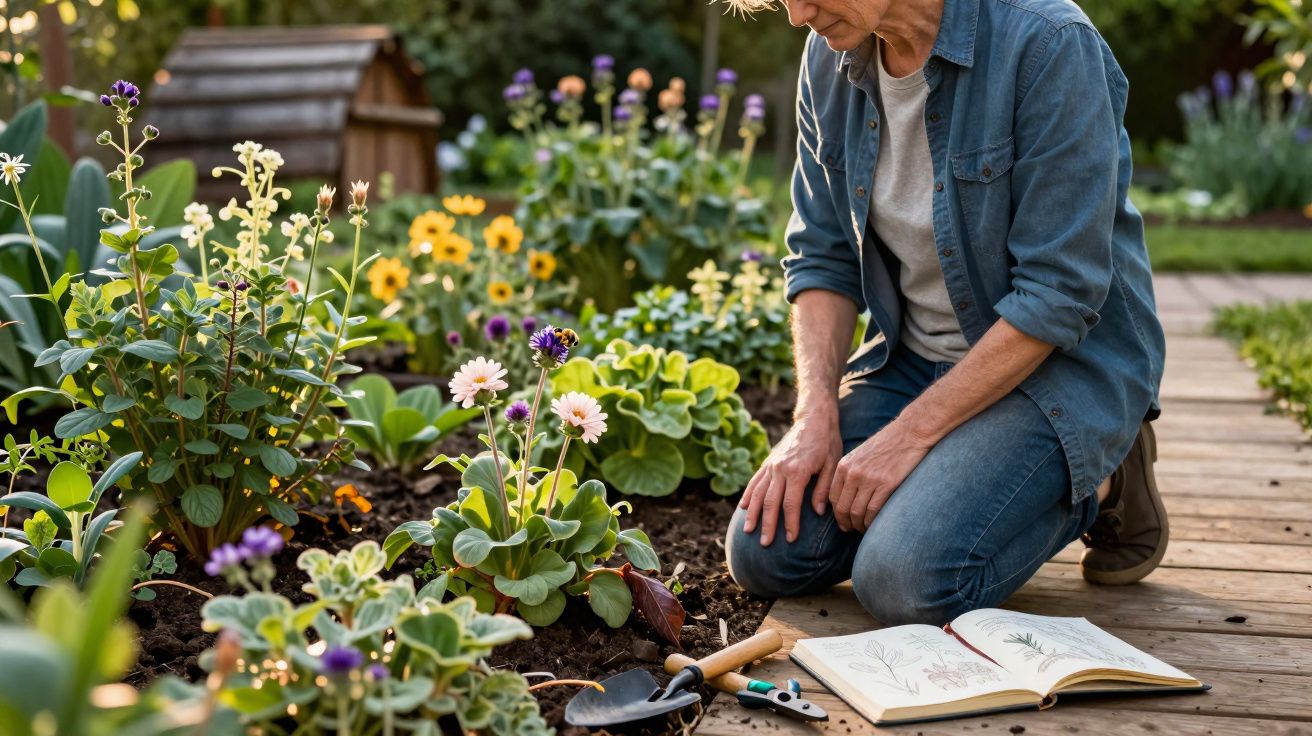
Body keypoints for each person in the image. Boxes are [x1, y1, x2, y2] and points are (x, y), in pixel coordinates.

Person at [722, 0, 1168, 626]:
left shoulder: (1050, 44)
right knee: (766, 552)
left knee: (903, 581)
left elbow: (1057, 294)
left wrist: (908, 438)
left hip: (1057, 368)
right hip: (911, 357)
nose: (797, 15)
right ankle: (966, 471)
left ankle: (1102, 476)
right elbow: (822, 256)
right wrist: (813, 415)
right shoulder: (829, 55)